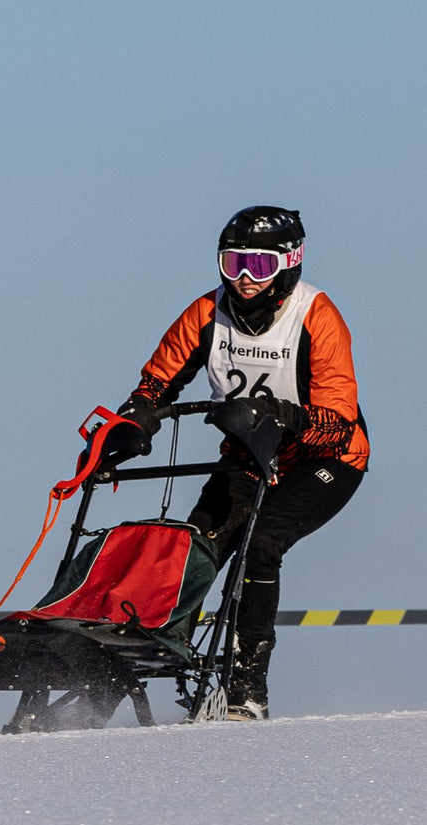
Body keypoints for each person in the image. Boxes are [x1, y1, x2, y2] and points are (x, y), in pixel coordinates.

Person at [116, 206, 369, 720]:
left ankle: (247, 690)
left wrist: (276, 413)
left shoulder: (316, 316)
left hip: (325, 459)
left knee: (261, 546)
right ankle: (135, 657)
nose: (245, 279)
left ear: (288, 262)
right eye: (233, 264)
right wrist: (133, 423)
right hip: (246, 458)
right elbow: (156, 383)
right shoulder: (205, 313)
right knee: (191, 550)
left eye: (258, 264)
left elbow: (339, 422)